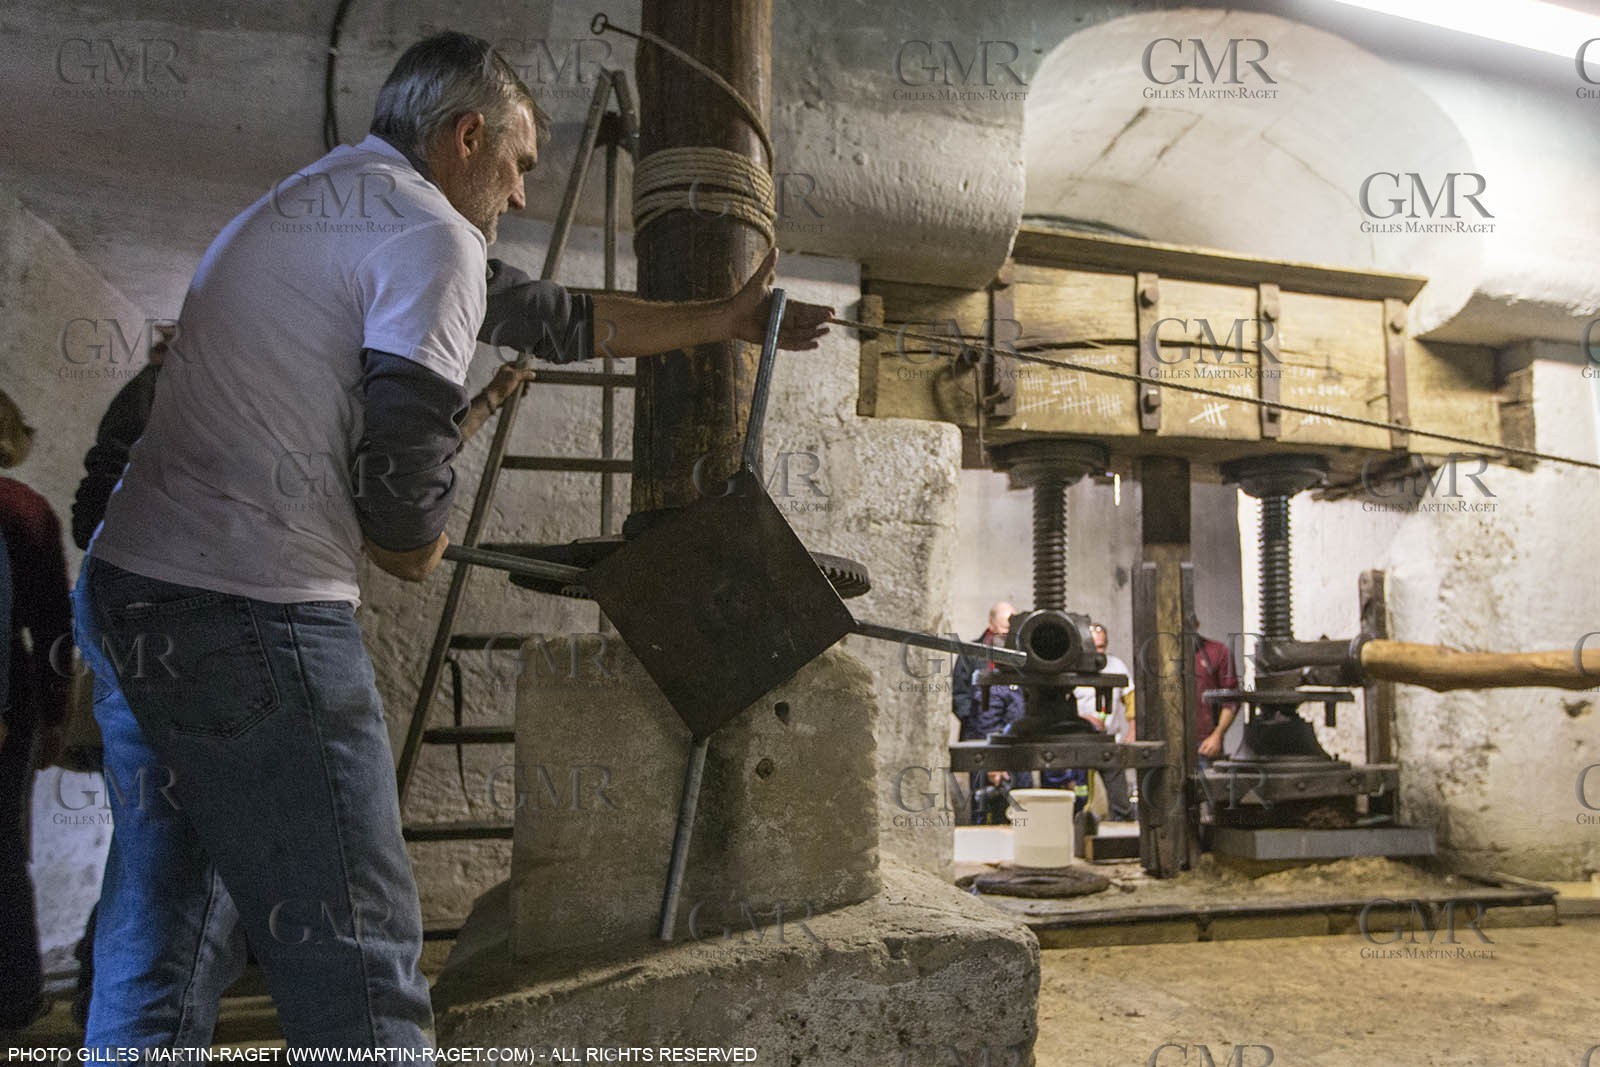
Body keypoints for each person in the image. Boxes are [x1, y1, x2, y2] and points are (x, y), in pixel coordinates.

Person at [76, 31, 832, 1051]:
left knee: (169, 923)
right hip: (251, 611)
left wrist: (725, 318)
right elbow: (399, 490)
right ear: (465, 135)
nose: (521, 194)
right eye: (520, 164)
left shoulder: (334, 197)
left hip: (138, 593)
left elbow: (555, 317)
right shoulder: (427, 232)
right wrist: (412, 542)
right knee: (361, 950)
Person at [0, 391, 72, 1034]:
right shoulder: (24, 509)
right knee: (3, 848)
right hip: (11, 698)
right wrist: (55, 713)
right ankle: (15, 995)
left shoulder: (16, 511)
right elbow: (52, 623)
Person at [951, 601, 1032, 822]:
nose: (1008, 633)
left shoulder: (1023, 655)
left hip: (1017, 740)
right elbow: (959, 695)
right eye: (1005, 628)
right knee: (983, 804)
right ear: (991, 624)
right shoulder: (971, 653)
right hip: (980, 739)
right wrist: (976, 726)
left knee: (1020, 802)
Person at [1076, 622, 1135, 820]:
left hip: (1108, 743)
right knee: (1077, 801)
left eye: (1101, 647)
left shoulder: (1116, 665)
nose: (1096, 652)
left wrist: (1132, 733)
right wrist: (1083, 719)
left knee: (1121, 804)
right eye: (1092, 646)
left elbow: (1131, 700)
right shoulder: (1071, 668)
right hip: (1076, 744)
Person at [1191, 613, 1240, 765]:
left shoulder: (1218, 652)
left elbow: (1231, 699)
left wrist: (1217, 735)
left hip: (1205, 745)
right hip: (1171, 744)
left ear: (1196, 624)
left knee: (1206, 788)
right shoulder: (1164, 656)